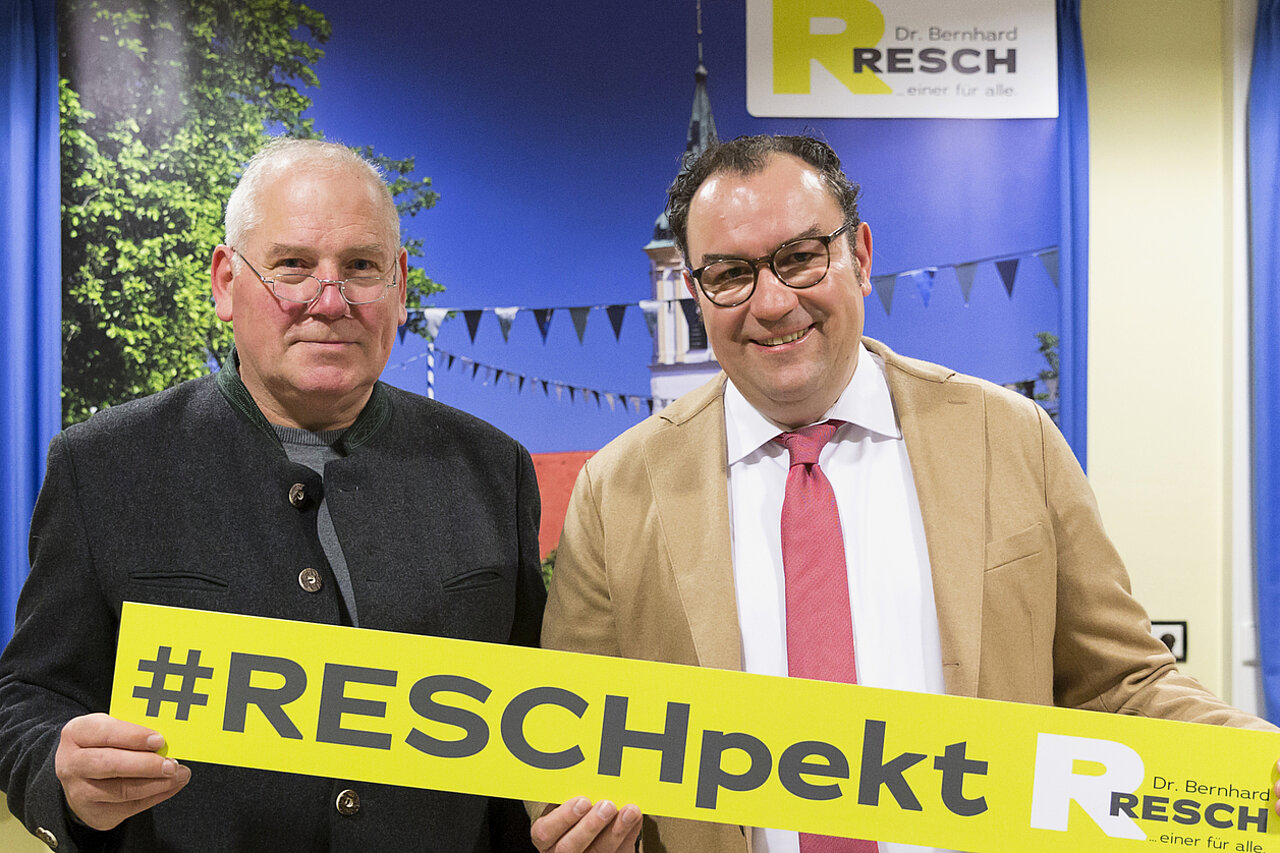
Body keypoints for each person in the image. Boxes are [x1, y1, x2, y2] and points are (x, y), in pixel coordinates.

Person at [529, 135, 1276, 853]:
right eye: (729, 275)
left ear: (859, 255)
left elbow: (1120, 686)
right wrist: (577, 823)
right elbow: (570, 741)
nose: (773, 302)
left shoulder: (1010, 436)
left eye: (800, 257)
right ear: (697, 292)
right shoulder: (615, 492)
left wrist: (1261, 772)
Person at [0, 138, 545, 852]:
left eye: (361, 267)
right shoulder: (101, 465)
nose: (330, 301)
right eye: (293, 266)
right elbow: (31, 699)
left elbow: (542, 719)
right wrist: (62, 773)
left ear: (400, 286)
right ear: (226, 282)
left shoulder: (494, 467)